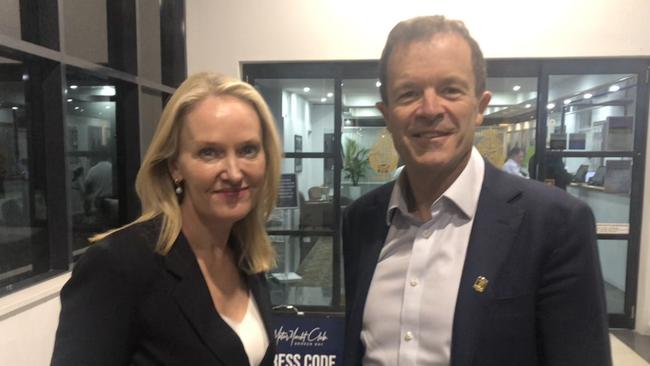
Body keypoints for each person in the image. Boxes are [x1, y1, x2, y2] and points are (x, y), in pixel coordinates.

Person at [342, 15, 611, 366]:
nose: (430, 109)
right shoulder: (361, 220)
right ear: (387, 114)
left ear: (480, 107)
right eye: (408, 94)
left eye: (450, 90)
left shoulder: (555, 224)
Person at [51, 72, 282, 366]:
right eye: (209, 152)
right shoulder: (119, 266)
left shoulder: (245, 255)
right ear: (175, 166)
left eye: (248, 150)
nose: (235, 173)